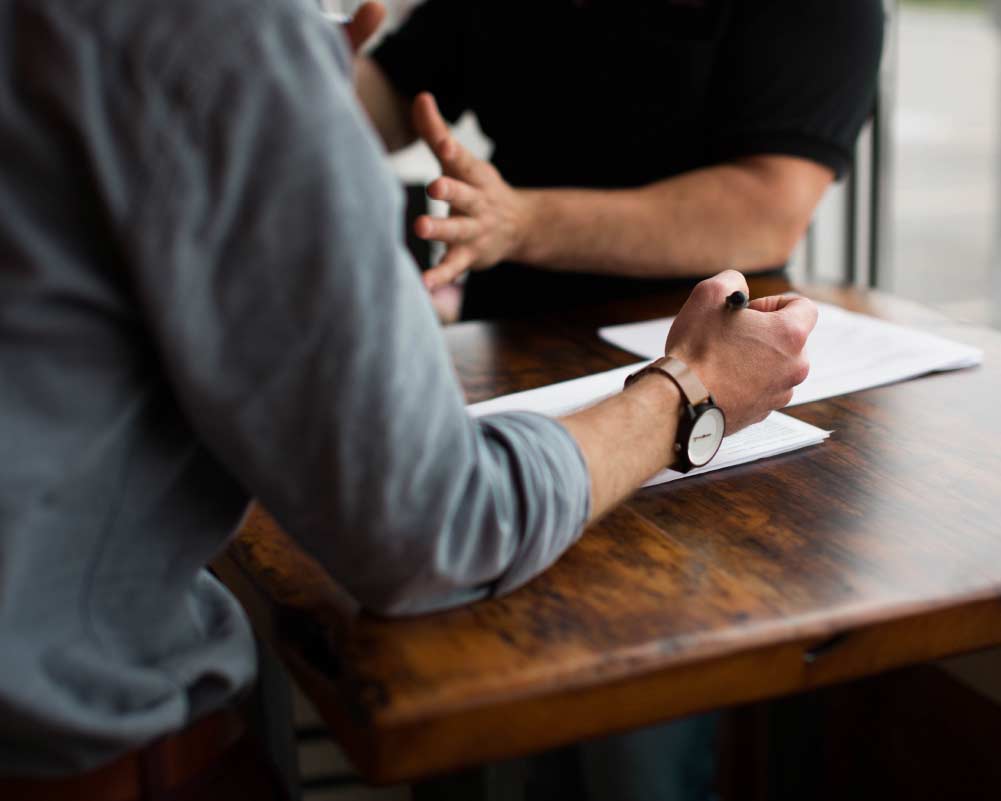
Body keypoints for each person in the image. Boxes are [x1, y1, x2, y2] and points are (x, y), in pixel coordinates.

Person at [0, 0, 816, 795]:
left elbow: (769, 204)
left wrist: (295, 96)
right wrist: (691, 390)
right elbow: (432, 522)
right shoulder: (211, 31)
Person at [356, 0, 885, 319]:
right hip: (508, 334)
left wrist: (520, 222)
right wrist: (298, 76)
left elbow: (765, 211)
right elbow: (393, 94)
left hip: (702, 347)